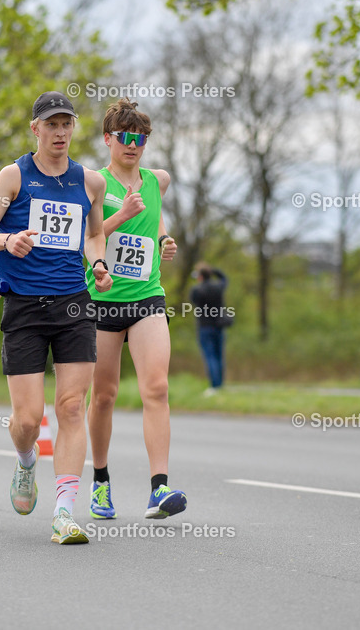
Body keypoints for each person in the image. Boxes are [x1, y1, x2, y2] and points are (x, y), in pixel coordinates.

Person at [0, 90, 112, 544]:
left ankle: (64, 512)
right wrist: (7, 241)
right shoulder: (14, 176)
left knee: (72, 406)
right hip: (25, 306)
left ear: (74, 128)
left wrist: (98, 263)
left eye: (66, 124)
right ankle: (27, 461)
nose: (60, 132)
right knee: (29, 420)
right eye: (51, 124)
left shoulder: (90, 182)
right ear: (35, 129)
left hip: (74, 302)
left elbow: (94, 236)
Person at [84, 98, 187, 521]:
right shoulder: (93, 183)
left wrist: (164, 239)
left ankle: (158, 489)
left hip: (147, 296)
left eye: (141, 138)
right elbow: (85, 238)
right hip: (103, 301)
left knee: (157, 388)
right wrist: (120, 216)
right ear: (108, 139)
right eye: (125, 137)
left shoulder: (157, 180)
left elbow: (156, 220)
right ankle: (101, 483)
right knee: (104, 396)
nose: (133, 145)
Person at [189, 263, 229, 393]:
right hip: (219, 326)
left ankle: (214, 386)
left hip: (205, 327)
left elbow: (193, 300)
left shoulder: (197, 290)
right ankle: (220, 384)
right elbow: (225, 279)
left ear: (200, 277)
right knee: (219, 356)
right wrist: (214, 270)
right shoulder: (218, 287)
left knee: (210, 356)